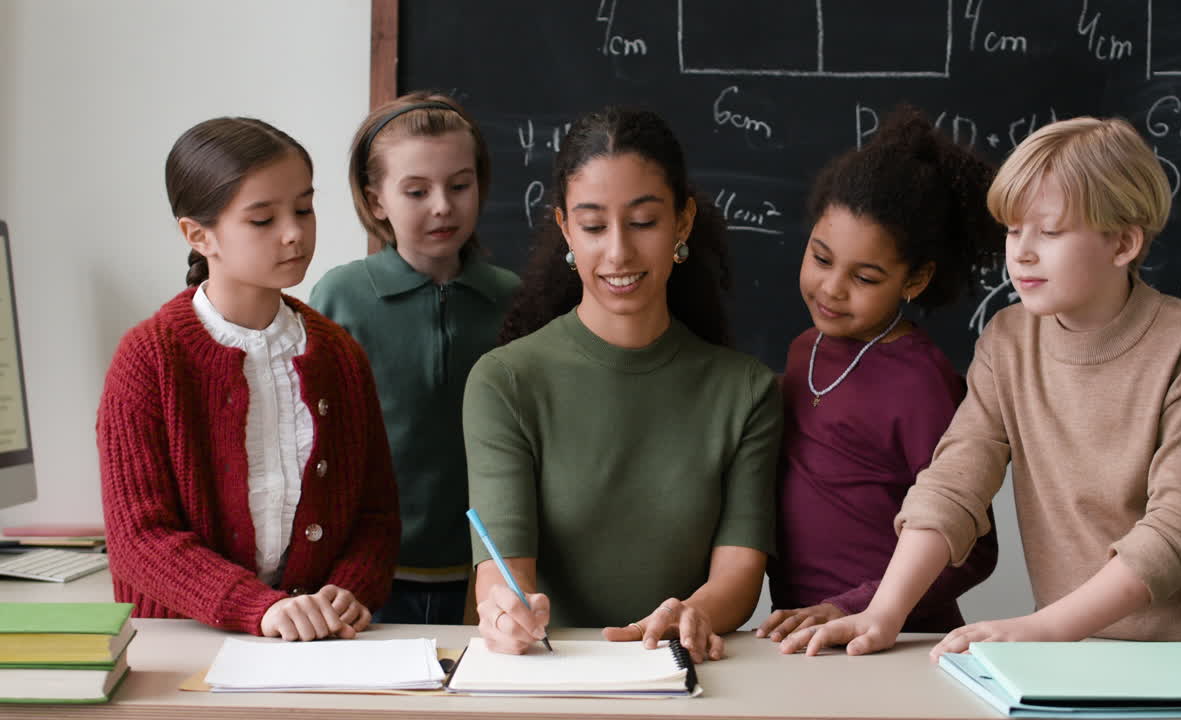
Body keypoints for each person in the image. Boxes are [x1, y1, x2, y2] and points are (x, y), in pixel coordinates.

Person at [782, 117, 1181, 688]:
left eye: (1049, 232)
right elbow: (954, 484)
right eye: (1013, 231)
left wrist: (1043, 628)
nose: (1021, 254)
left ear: (1123, 242)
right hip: (1083, 646)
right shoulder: (1007, 340)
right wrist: (882, 613)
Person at [464, 107, 781, 663]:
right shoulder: (505, 382)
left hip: (682, 669)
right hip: (552, 672)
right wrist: (502, 611)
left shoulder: (747, 391)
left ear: (682, 223)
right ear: (565, 229)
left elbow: (739, 572)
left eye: (642, 222)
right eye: (592, 226)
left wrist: (693, 612)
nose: (618, 252)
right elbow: (502, 570)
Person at [98, 117, 399, 641]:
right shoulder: (149, 359)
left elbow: (375, 513)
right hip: (179, 648)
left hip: (317, 648)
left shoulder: (339, 356)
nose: (294, 232)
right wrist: (257, 607)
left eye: (304, 208)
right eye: (263, 219)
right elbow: (139, 537)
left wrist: (352, 588)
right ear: (198, 235)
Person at [759, 109, 1001, 646]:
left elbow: (976, 550)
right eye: (821, 258)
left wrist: (851, 605)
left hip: (896, 640)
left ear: (915, 278)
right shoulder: (804, 352)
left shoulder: (919, 382)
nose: (832, 288)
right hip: (804, 638)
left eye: (865, 277)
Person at [310, 92, 519, 624]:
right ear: (376, 199)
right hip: (365, 579)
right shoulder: (340, 298)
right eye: (416, 190)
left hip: (489, 578)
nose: (443, 206)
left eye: (459, 185)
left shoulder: (516, 300)